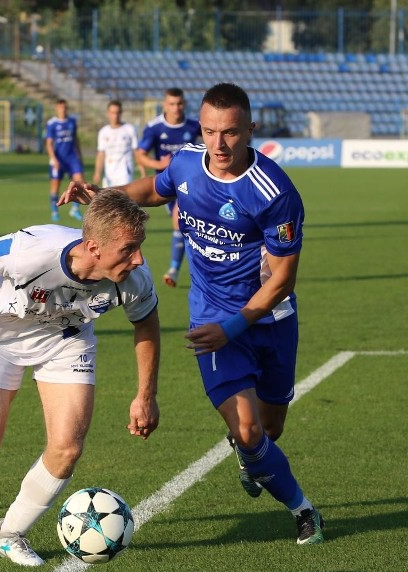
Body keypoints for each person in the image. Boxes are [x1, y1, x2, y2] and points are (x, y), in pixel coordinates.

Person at [60, 82, 323, 546]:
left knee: (269, 429)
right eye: (209, 131)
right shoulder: (185, 161)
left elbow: (282, 280)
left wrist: (236, 326)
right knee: (247, 428)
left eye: (230, 133)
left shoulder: (276, 194)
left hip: (269, 318)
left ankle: (249, 454)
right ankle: (303, 509)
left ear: (250, 130)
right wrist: (104, 195)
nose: (219, 145)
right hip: (210, 315)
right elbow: (154, 189)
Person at [0, 189, 161, 566]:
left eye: (139, 246)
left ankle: (10, 534)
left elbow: (147, 326)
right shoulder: (34, 249)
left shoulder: (134, 279)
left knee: (67, 448)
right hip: (2, 337)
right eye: (128, 249)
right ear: (93, 247)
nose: (138, 258)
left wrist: (145, 395)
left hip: (67, 342)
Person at [136, 88, 202, 288]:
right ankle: (189, 268)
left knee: (184, 222)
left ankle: (175, 270)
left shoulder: (193, 126)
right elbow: (140, 154)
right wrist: (159, 165)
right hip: (165, 185)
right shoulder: (155, 127)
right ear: (165, 105)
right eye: (172, 104)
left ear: (185, 104)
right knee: (185, 225)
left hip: (191, 183)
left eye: (179, 104)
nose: (176, 108)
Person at [45, 98, 85, 223]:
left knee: (80, 182)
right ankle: (55, 211)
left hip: (72, 157)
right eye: (61, 107)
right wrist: (53, 159)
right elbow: (49, 143)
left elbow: (75, 139)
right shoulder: (52, 123)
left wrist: (79, 155)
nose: (63, 109)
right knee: (55, 186)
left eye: (65, 107)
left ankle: (75, 208)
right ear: (57, 108)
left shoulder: (72, 121)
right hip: (59, 158)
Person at [92, 100, 143, 188]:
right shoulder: (103, 132)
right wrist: (97, 173)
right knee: (108, 201)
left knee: (123, 199)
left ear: (121, 113)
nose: (115, 116)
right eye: (112, 113)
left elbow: (136, 152)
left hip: (125, 174)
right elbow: (101, 154)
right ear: (108, 113)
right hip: (109, 174)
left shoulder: (129, 129)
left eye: (117, 113)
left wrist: (142, 171)